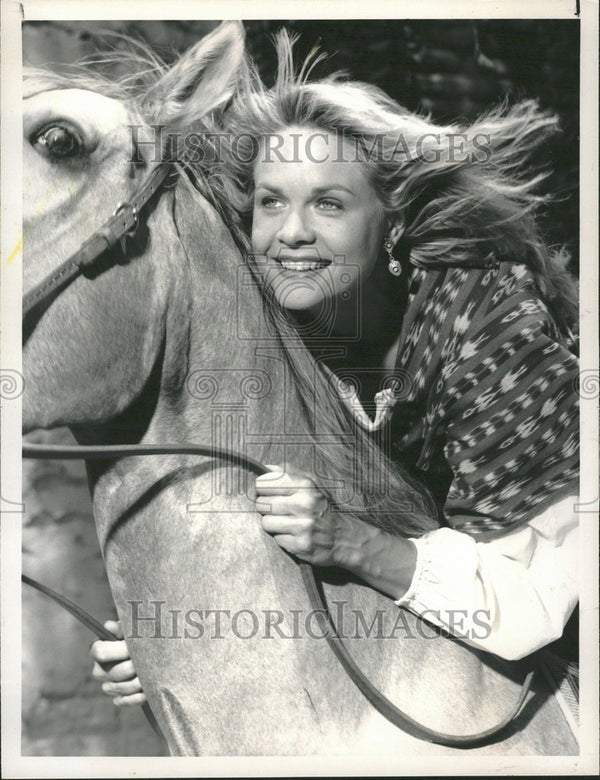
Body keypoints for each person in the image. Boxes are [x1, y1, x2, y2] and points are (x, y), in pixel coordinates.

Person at [91, 31, 579, 707]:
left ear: (396, 226)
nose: (291, 232)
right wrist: (170, 644)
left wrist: (354, 542)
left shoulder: (493, 332)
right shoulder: (278, 328)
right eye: (270, 202)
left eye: (329, 203)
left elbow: (532, 608)